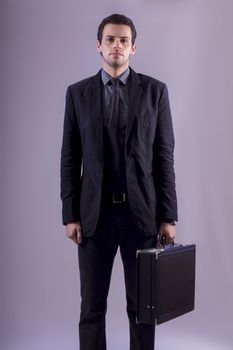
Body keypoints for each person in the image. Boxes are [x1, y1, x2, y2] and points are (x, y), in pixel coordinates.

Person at [60, 13, 178, 350]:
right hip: (93, 218)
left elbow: (164, 159)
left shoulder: (155, 92)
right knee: (91, 308)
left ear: (133, 48)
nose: (116, 45)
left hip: (140, 218)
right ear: (99, 45)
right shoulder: (77, 94)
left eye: (123, 40)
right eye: (110, 39)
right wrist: (70, 214)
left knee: (143, 308)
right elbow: (70, 159)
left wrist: (168, 217)